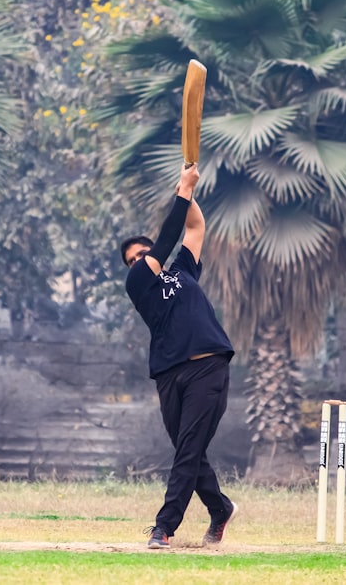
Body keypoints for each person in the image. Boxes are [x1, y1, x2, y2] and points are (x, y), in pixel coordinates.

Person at [119, 162, 237, 550]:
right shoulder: (139, 283)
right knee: (190, 450)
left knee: (188, 449)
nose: (138, 260)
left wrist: (188, 191)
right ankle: (220, 509)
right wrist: (182, 191)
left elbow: (194, 228)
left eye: (142, 253)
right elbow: (170, 235)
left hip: (208, 367)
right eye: (132, 258)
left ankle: (163, 528)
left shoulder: (182, 272)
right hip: (170, 374)